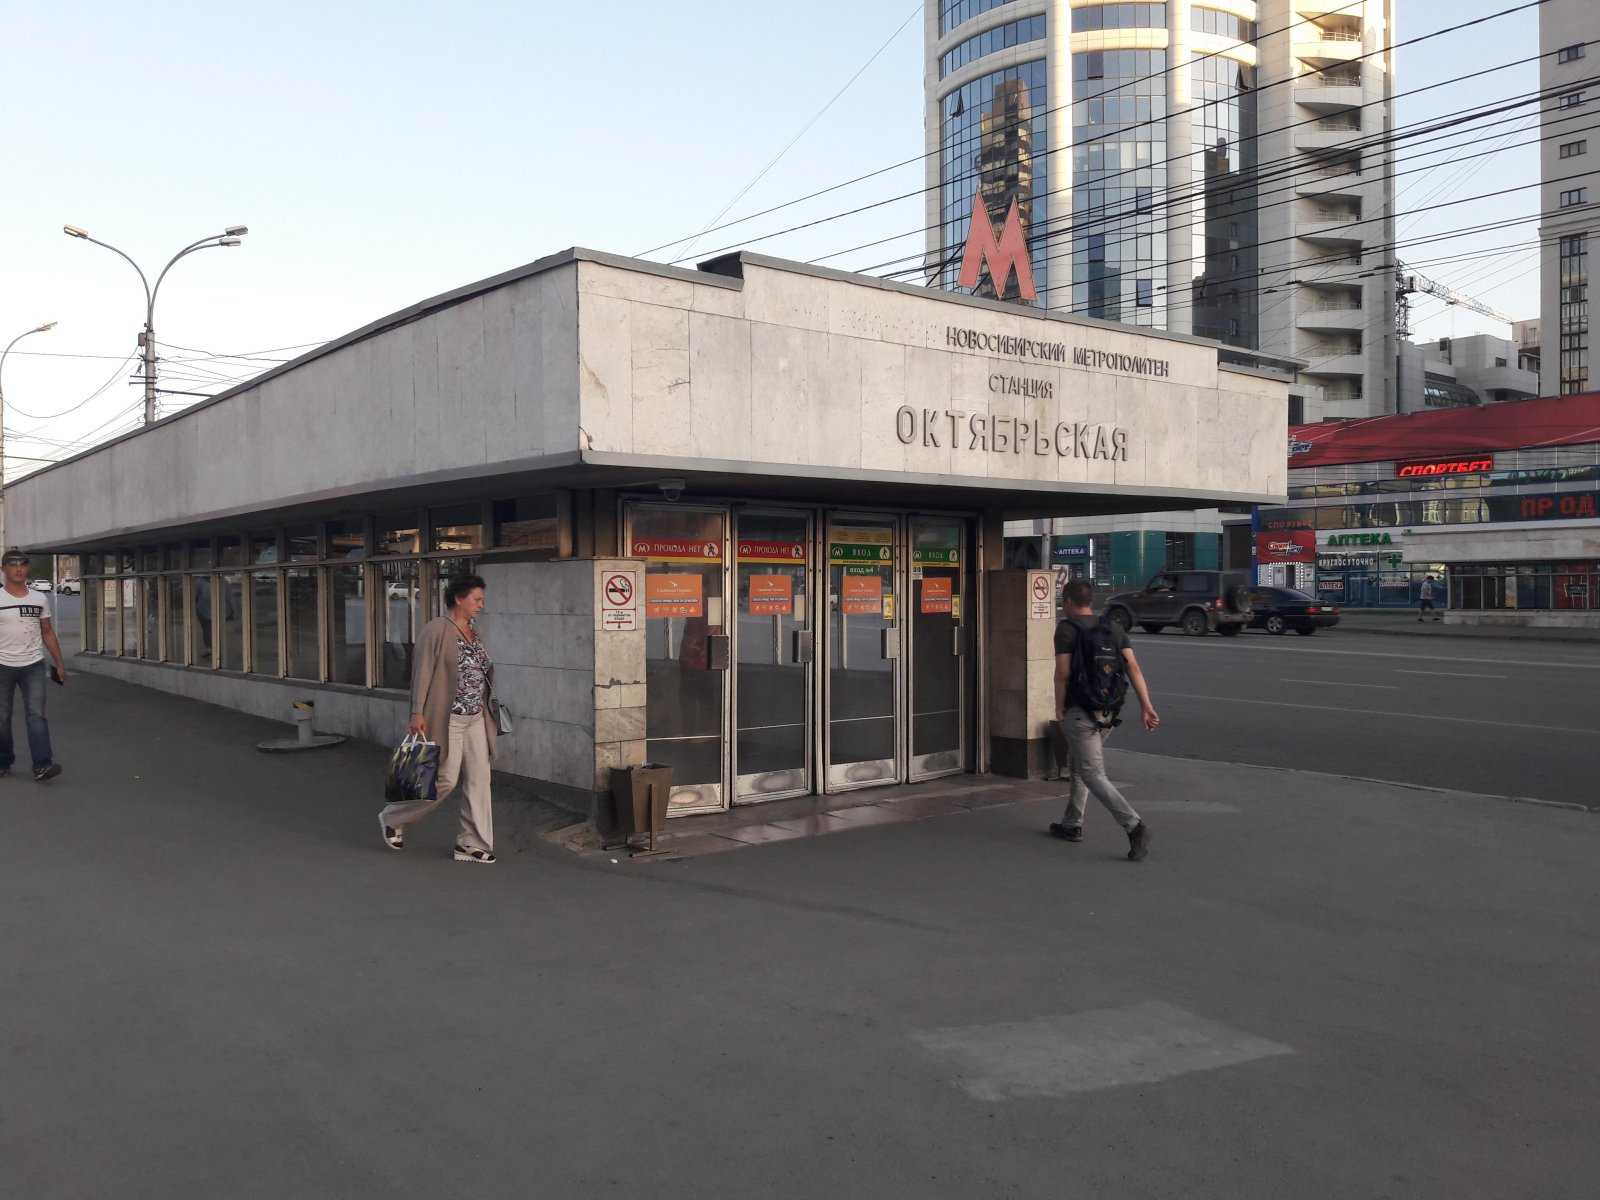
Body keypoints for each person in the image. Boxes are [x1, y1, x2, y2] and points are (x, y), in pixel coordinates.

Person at [379, 574, 499, 863]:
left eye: (482, 599)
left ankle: (471, 843)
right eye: (477, 599)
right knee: (444, 779)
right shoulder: (437, 630)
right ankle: (393, 817)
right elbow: (422, 673)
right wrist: (417, 712)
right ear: (459, 598)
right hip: (449, 719)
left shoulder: (473, 631)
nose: (481, 605)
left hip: (475, 717)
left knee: (480, 780)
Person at [1047, 579, 1158, 860]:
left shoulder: (1067, 629)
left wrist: (1058, 707)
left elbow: (1062, 672)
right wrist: (1147, 705)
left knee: (1092, 773)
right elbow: (1133, 667)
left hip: (1079, 711)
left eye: (1064, 600)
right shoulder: (1113, 628)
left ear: (1070, 601)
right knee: (1078, 765)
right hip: (1108, 711)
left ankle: (1134, 826)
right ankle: (1072, 824)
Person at [0, 549, 66, 782]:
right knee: (2, 717)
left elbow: (47, 632)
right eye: (13, 564)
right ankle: (3, 760)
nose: (18, 569)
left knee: (36, 715)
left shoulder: (39, 598)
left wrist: (59, 663)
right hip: (2, 666)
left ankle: (42, 765)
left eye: (22, 564)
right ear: (3, 569)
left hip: (33, 666)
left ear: (27, 568)